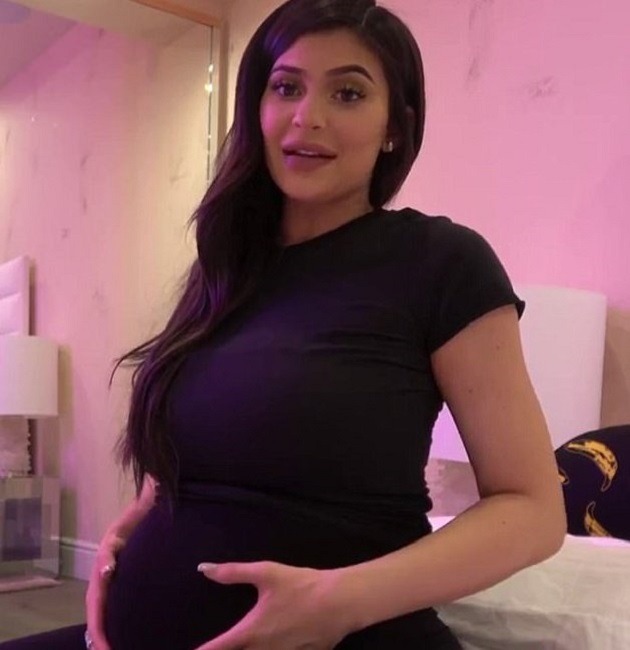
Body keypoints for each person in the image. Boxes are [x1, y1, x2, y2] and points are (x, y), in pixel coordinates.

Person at [1, 0, 566, 648]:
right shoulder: (226, 271)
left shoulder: (441, 262)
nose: (307, 117)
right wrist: (131, 528)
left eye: (348, 93)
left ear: (394, 125)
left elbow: (532, 510)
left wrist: (336, 603)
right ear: (257, 108)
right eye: (286, 87)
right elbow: (201, 452)